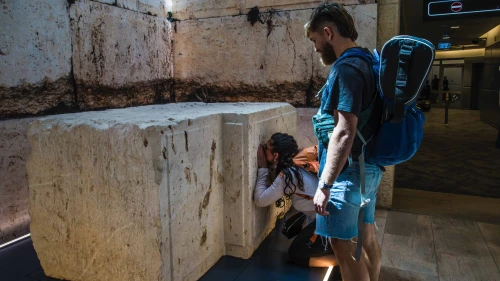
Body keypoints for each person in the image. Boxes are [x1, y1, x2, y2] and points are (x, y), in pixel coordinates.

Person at [304, 3, 383, 281]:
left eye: (315, 40)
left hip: (347, 174)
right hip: (369, 168)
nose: (315, 48)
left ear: (327, 32)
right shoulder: (368, 61)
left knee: (343, 248)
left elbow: (344, 131)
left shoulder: (346, 69)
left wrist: (324, 185)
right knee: (367, 238)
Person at [253, 133, 337, 269]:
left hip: (330, 223)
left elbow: (260, 200)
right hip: (336, 216)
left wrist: (262, 169)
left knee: (296, 254)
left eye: (265, 148)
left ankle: (344, 260)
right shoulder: (299, 163)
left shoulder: (288, 175)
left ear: (275, 155)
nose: (262, 150)